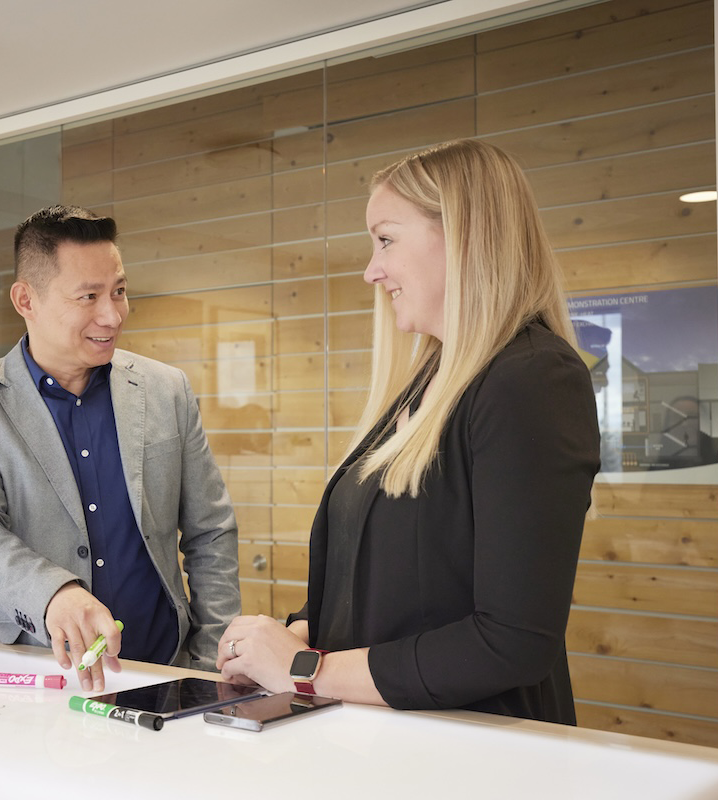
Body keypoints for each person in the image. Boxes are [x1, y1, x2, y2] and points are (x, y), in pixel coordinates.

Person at [216, 139, 600, 724]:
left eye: (386, 239)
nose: (372, 270)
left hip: (476, 756)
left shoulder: (531, 379)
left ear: (464, 236)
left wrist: (305, 669)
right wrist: (286, 636)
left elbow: (511, 641)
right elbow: (404, 584)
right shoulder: (430, 381)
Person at [0, 206, 240, 692]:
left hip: (164, 670)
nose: (112, 315)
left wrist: (206, 661)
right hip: (32, 676)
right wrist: (53, 594)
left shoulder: (166, 390)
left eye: (119, 290)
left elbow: (211, 532)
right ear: (25, 299)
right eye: (88, 296)